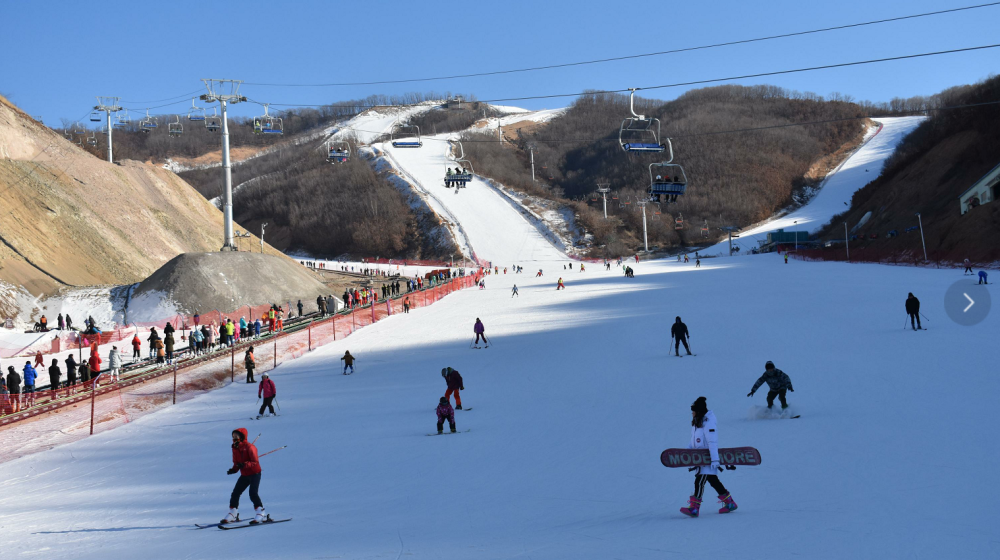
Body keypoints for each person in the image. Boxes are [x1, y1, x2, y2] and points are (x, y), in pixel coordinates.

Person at [680, 397, 737, 517]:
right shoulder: (698, 422)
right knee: (713, 481)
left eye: (693, 410)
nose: (692, 413)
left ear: (699, 411)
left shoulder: (708, 422)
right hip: (699, 458)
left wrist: (715, 459)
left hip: (707, 459)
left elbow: (712, 442)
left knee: (699, 481)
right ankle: (729, 502)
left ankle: (694, 508)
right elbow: (693, 441)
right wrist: (687, 452)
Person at [222, 428, 266, 525]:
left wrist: (244, 465)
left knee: (253, 493)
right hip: (244, 474)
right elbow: (236, 462)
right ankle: (233, 513)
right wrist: (234, 469)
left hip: (255, 473)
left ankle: (261, 513)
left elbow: (255, 462)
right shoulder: (235, 448)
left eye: (236, 436)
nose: (234, 438)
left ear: (242, 437)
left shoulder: (250, 447)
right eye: (233, 436)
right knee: (235, 493)